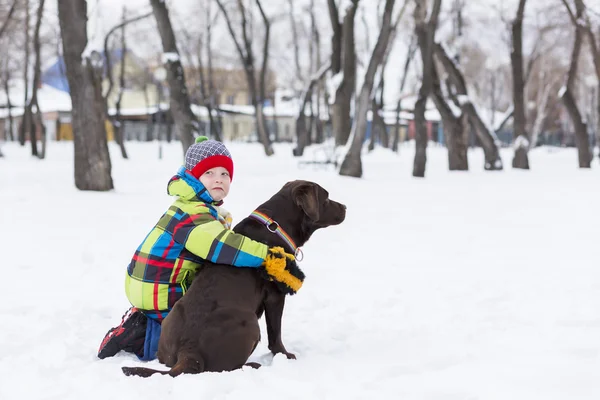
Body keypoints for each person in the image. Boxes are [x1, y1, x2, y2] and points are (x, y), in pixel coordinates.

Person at [97, 136, 301, 360]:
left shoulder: (191, 206)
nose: (219, 179)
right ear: (194, 176)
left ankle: (145, 319)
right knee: (190, 334)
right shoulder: (194, 216)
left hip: (149, 285)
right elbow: (224, 247)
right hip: (161, 290)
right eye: (209, 173)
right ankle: (141, 336)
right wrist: (267, 256)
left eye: (225, 174)